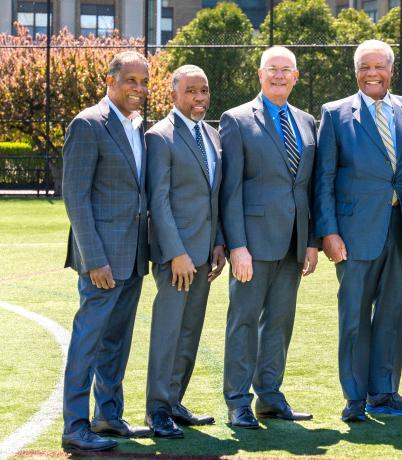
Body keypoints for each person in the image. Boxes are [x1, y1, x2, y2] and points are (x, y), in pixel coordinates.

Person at [315, 39, 402, 422]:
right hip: (353, 232)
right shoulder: (334, 113)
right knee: (355, 316)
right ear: (355, 71)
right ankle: (354, 397)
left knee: (394, 313)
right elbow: (324, 177)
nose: (371, 74)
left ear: (391, 70)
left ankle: (384, 391)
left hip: (400, 229)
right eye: (364, 67)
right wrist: (328, 231)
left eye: (378, 66)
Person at [219, 46, 319, 429]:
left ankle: (270, 396)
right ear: (260, 75)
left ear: (296, 76)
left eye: (286, 70)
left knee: (279, 322)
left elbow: (307, 188)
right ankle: (237, 401)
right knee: (243, 322)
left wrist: (310, 241)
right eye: (272, 69)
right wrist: (237, 246)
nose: (279, 76)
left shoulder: (307, 121)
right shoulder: (238, 119)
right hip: (253, 244)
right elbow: (230, 190)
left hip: (293, 243)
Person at [61, 50, 152, 452]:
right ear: (110, 81)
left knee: (117, 341)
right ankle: (75, 426)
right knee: (89, 340)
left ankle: (108, 415)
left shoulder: (137, 127)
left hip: (133, 256)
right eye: (131, 80)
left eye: (144, 81)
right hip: (101, 258)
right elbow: (76, 197)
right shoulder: (88, 124)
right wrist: (94, 259)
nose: (138, 88)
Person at [144, 65, 225, 437]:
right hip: (176, 257)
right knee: (168, 332)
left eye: (204, 91)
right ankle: (157, 410)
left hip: (205, 255)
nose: (199, 98)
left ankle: (175, 402)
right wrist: (176, 252)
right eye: (191, 91)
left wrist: (218, 243)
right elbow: (158, 201)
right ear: (173, 94)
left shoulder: (212, 134)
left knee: (190, 331)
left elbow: (214, 196)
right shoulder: (159, 137)